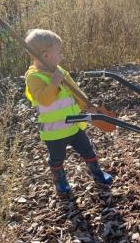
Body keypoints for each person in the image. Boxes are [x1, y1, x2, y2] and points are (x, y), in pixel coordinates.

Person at [24, 29, 113, 194]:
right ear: (45, 56)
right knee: (57, 159)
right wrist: (54, 83)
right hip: (54, 131)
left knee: (88, 150)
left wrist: (87, 105)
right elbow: (44, 100)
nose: (62, 56)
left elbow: (75, 91)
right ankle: (60, 181)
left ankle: (97, 173)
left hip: (74, 125)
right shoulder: (34, 77)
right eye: (59, 52)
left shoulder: (60, 71)